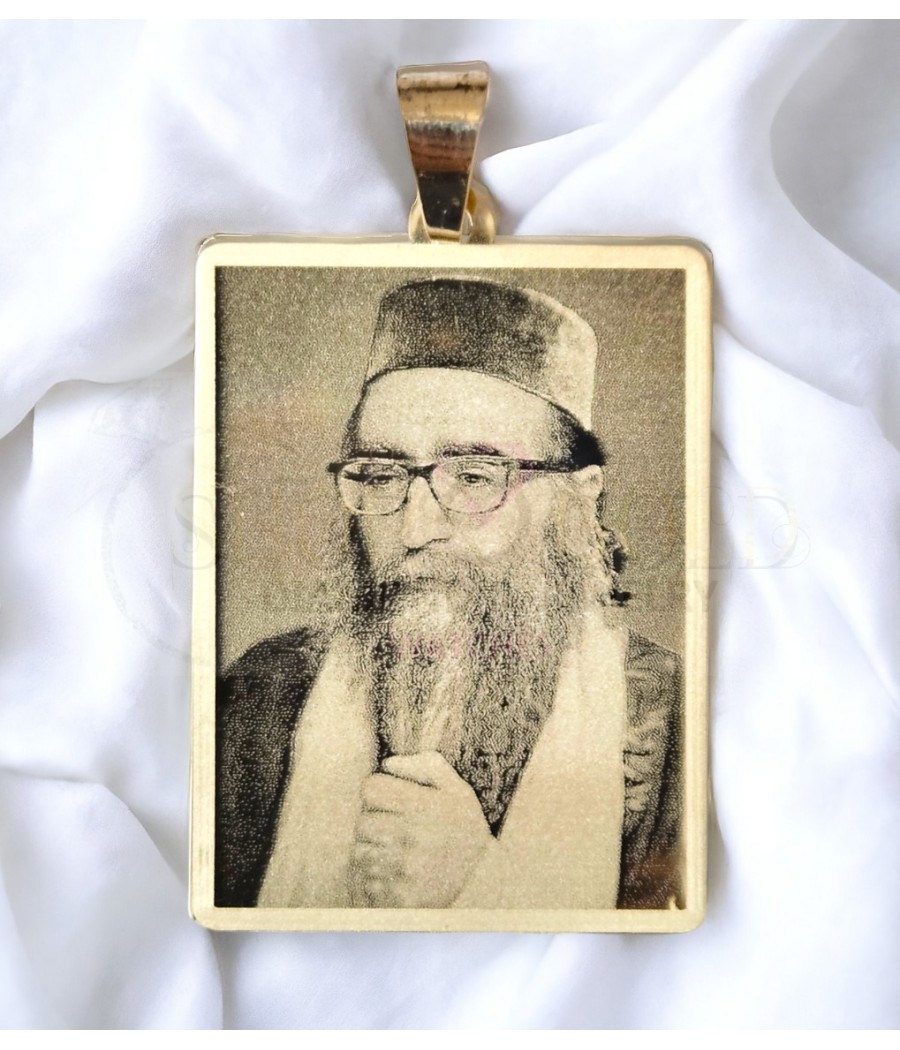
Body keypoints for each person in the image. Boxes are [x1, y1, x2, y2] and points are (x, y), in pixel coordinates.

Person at [216, 277, 682, 912]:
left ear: (577, 497)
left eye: (475, 477)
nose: (415, 530)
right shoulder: (262, 694)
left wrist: (481, 880)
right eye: (381, 475)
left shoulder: (672, 718)